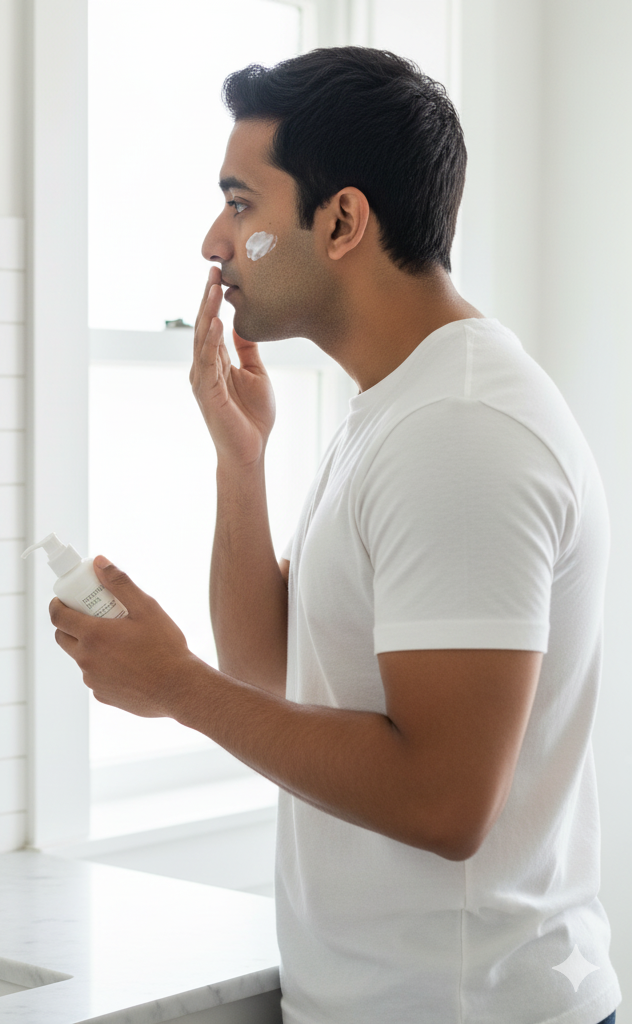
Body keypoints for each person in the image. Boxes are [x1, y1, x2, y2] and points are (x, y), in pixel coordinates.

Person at [49, 47, 621, 1024]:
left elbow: (443, 800)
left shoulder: (459, 428)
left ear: (343, 220)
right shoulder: (397, 409)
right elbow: (270, 670)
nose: (213, 242)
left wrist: (178, 688)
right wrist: (241, 462)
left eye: (241, 204)